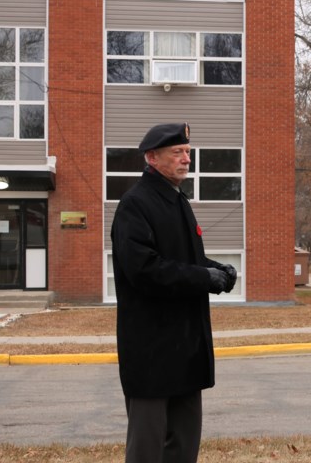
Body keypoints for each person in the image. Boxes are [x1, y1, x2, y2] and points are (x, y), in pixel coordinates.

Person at [111, 122, 237, 463]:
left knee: (183, 446)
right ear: (152, 158)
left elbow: (184, 260)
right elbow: (145, 270)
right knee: (148, 449)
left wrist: (218, 270)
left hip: (186, 350)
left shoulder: (176, 200)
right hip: (152, 352)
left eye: (188, 152)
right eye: (177, 153)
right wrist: (203, 277)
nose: (186, 159)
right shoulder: (135, 204)